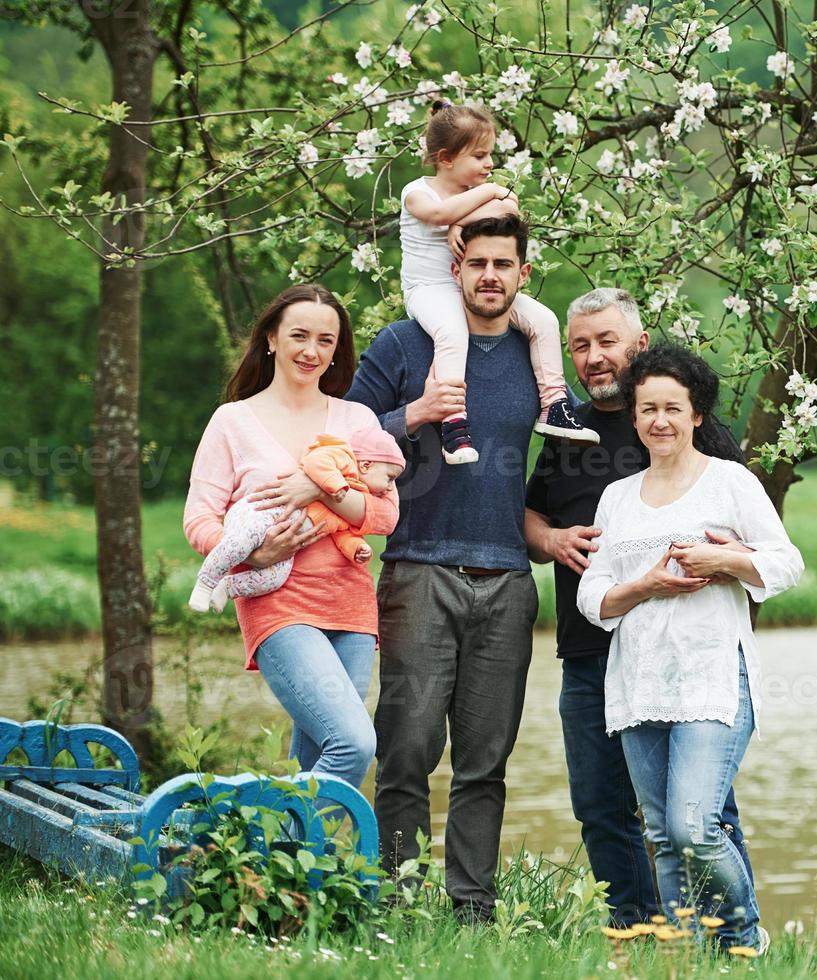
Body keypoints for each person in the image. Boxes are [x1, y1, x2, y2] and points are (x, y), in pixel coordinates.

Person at [524, 289, 757, 926]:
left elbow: (751, 534)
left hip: (682, 656)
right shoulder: (564, 427)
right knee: (604, 809)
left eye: (607, 341)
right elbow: (533, 512)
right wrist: (547, 539)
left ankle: (728, 941)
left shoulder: (682, 423)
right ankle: (640, 937)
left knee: (701, 815)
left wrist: (723, 559)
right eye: (581, 345)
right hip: (589, 654)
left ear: (641, 345)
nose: (595, 357)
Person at [348, 214, 543, 925]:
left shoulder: (534, 355)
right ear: (455, 268)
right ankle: (395, 906)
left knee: (484, 762)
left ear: (524, 274)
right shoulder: (406, 343)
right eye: (477, 262)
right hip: (415, 570)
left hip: (508, 579)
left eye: (504, 264)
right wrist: (418, 413)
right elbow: (340, 433)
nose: (490, 275)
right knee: (405, 750)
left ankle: (471, 913)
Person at [576, 343, 803, 953]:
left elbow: (786, 565)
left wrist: (724, 559)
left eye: (673, 408)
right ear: (634, 415)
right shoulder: (617, 498)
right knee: (660, 832)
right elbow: (591, 598)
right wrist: (645, 584)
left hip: (712, 678)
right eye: (647, 408)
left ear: (695, 413)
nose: (660, 421)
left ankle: (744, 933)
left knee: (694, 825)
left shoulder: (730, 482)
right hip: (638, 682)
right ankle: (685, 957)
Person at [183, 284, 400, 791]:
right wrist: (254, 553)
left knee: (318, 756)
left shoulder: (357, 420)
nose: (312, 350)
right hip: (277, 603)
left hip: (350, 605)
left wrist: (319, 490)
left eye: (326, 340)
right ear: (271, 340)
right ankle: (275, 855)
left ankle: (286, 867)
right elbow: (199, 518)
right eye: (299, 336)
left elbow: (385, 515)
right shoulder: (233, 421)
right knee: (354, 742)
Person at [401, 99, 594, 462]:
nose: (489, 164)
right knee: (452, 333)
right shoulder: (418, 192)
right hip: (429, 290)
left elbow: (512, 207)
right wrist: (486, 197)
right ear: (446, 158)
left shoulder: (467, 197)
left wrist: (463, 220)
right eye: (479, 156)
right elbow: (438, 213)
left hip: (471, 287)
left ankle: (554, 405)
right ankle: (453, 422)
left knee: (544, 320)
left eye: (490, 154)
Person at [188, 427, 405, 613]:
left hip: (288, 540)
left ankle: (228, 587)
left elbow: (343, 533)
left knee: (274, 578)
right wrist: (332, 487)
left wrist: (356, 548)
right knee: (240, 543)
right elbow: (316, 461)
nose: (390, 487)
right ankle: (206, 582)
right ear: (366, 465)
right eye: (390, 478)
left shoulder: (356, 494)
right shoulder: (344, 458)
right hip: (266, 512)